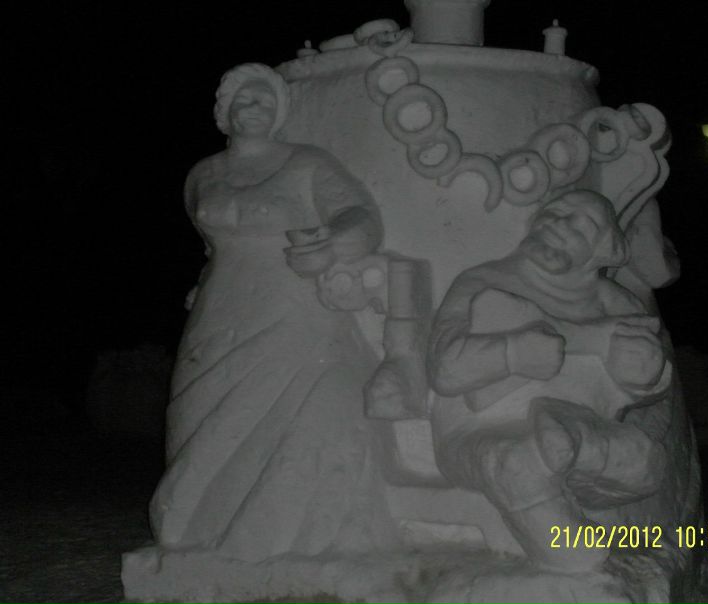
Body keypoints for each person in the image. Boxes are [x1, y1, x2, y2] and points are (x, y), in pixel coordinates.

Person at [149, 63, 397, 562]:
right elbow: (209, 245)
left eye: (263, 100)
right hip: (221, 306)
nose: (252, 108)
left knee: (287, 406)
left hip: (290, 304)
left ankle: (270, 534)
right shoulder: (202, 175)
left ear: (279, 113)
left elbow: (360, 216)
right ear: (224, 112)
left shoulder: (306, 163)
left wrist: (332, 244)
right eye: (242, 100)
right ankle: (194, 526)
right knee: (199, 411)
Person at [427, 190, 670, 572]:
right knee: (517, 463)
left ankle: (570, 435)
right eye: (554, 213)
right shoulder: (484, 282)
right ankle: (574, 555)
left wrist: (644, 374)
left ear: (602, 250)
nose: (558, 223)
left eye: (580, 224)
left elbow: (646, 380)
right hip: (478, 434)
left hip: (587, 439)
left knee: (643, 462)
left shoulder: (616, 304)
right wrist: (510, 353)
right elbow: (445, 369)